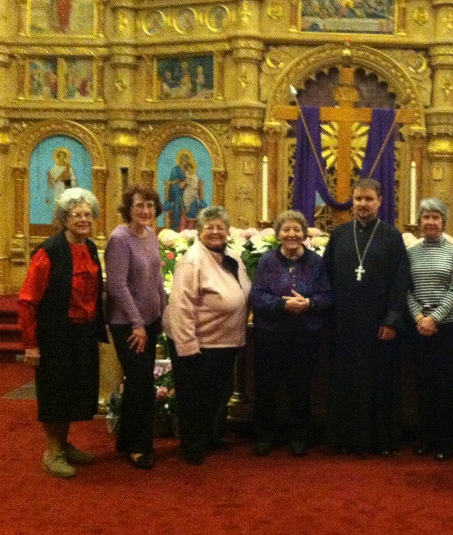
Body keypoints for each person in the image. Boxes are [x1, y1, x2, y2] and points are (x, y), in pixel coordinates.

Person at [18, 187, 107, 478]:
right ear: (63, 218)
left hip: (83, 332)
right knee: (55, 392)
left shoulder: (90, 247)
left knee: (75, 390)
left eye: (87, 214)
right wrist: (31, 345)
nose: (83, 219)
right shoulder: (49, 251)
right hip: (56, 333)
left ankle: (64, 444)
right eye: (76, 214)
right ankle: (52, 451)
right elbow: (28, 300)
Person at [322, 178, 410, 457]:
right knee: (346, 380)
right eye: (358, 199)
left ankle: (380, 440)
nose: (363, 204)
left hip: (378, 324)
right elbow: (326, 277)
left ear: (380, 201)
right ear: (352, 200)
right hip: (344, 323)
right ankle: (344, 438)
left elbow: (400, 281)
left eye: (369, 199)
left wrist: (391, 319)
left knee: (379, 380)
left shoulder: (392, 236)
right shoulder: (339, 234)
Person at [163, 205, 251, 465]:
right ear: (199, 231)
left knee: (216, 395)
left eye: (220, 227)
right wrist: (188, 346)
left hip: (224, 341)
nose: (215, 232)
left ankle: (209, 436)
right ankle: (191, 446)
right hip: (200, 343)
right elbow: (181, 306)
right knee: (194, 398)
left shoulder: (231, 256)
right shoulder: (193, 260)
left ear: (227, 231)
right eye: (208, 227)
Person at [249, 210, 332, 457]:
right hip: (271, 337)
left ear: (305, 234)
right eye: (286, 229)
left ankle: (299, 437)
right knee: (266, 388)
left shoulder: (317, 262)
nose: (292, 234)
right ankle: (265, 436)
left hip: (305, 337)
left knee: (301, 389)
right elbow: (256, 295)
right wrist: (282, 304)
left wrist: (309, 303)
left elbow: (327, 295)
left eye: (297, 230)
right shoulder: (266, 261)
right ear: (278, 234)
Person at [105, 185, 167, 470]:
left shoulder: (151, 235)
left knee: (138, 383)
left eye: (151, 206)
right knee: (142, 384)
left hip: (150, 321)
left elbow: (156, 278)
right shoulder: (119, 239)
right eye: (140, 205)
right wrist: (137, 322)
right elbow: (116, 285)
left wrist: (163, 312)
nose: (146, 211)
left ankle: (126, 439)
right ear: (128, 208)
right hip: (128, 324)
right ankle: (139, 447)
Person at [406, 198, 453, 461]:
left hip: (448, 326)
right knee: (424, 383)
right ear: (420, 222)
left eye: (435, 217)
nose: (430, 222)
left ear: (443, 221)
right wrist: (420, 316)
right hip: (419, 325)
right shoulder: (411, 252)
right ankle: (426, 437)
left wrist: (435, 318)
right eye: (426, 217)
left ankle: (446, 440)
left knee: (446, 384)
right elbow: (406, 288)